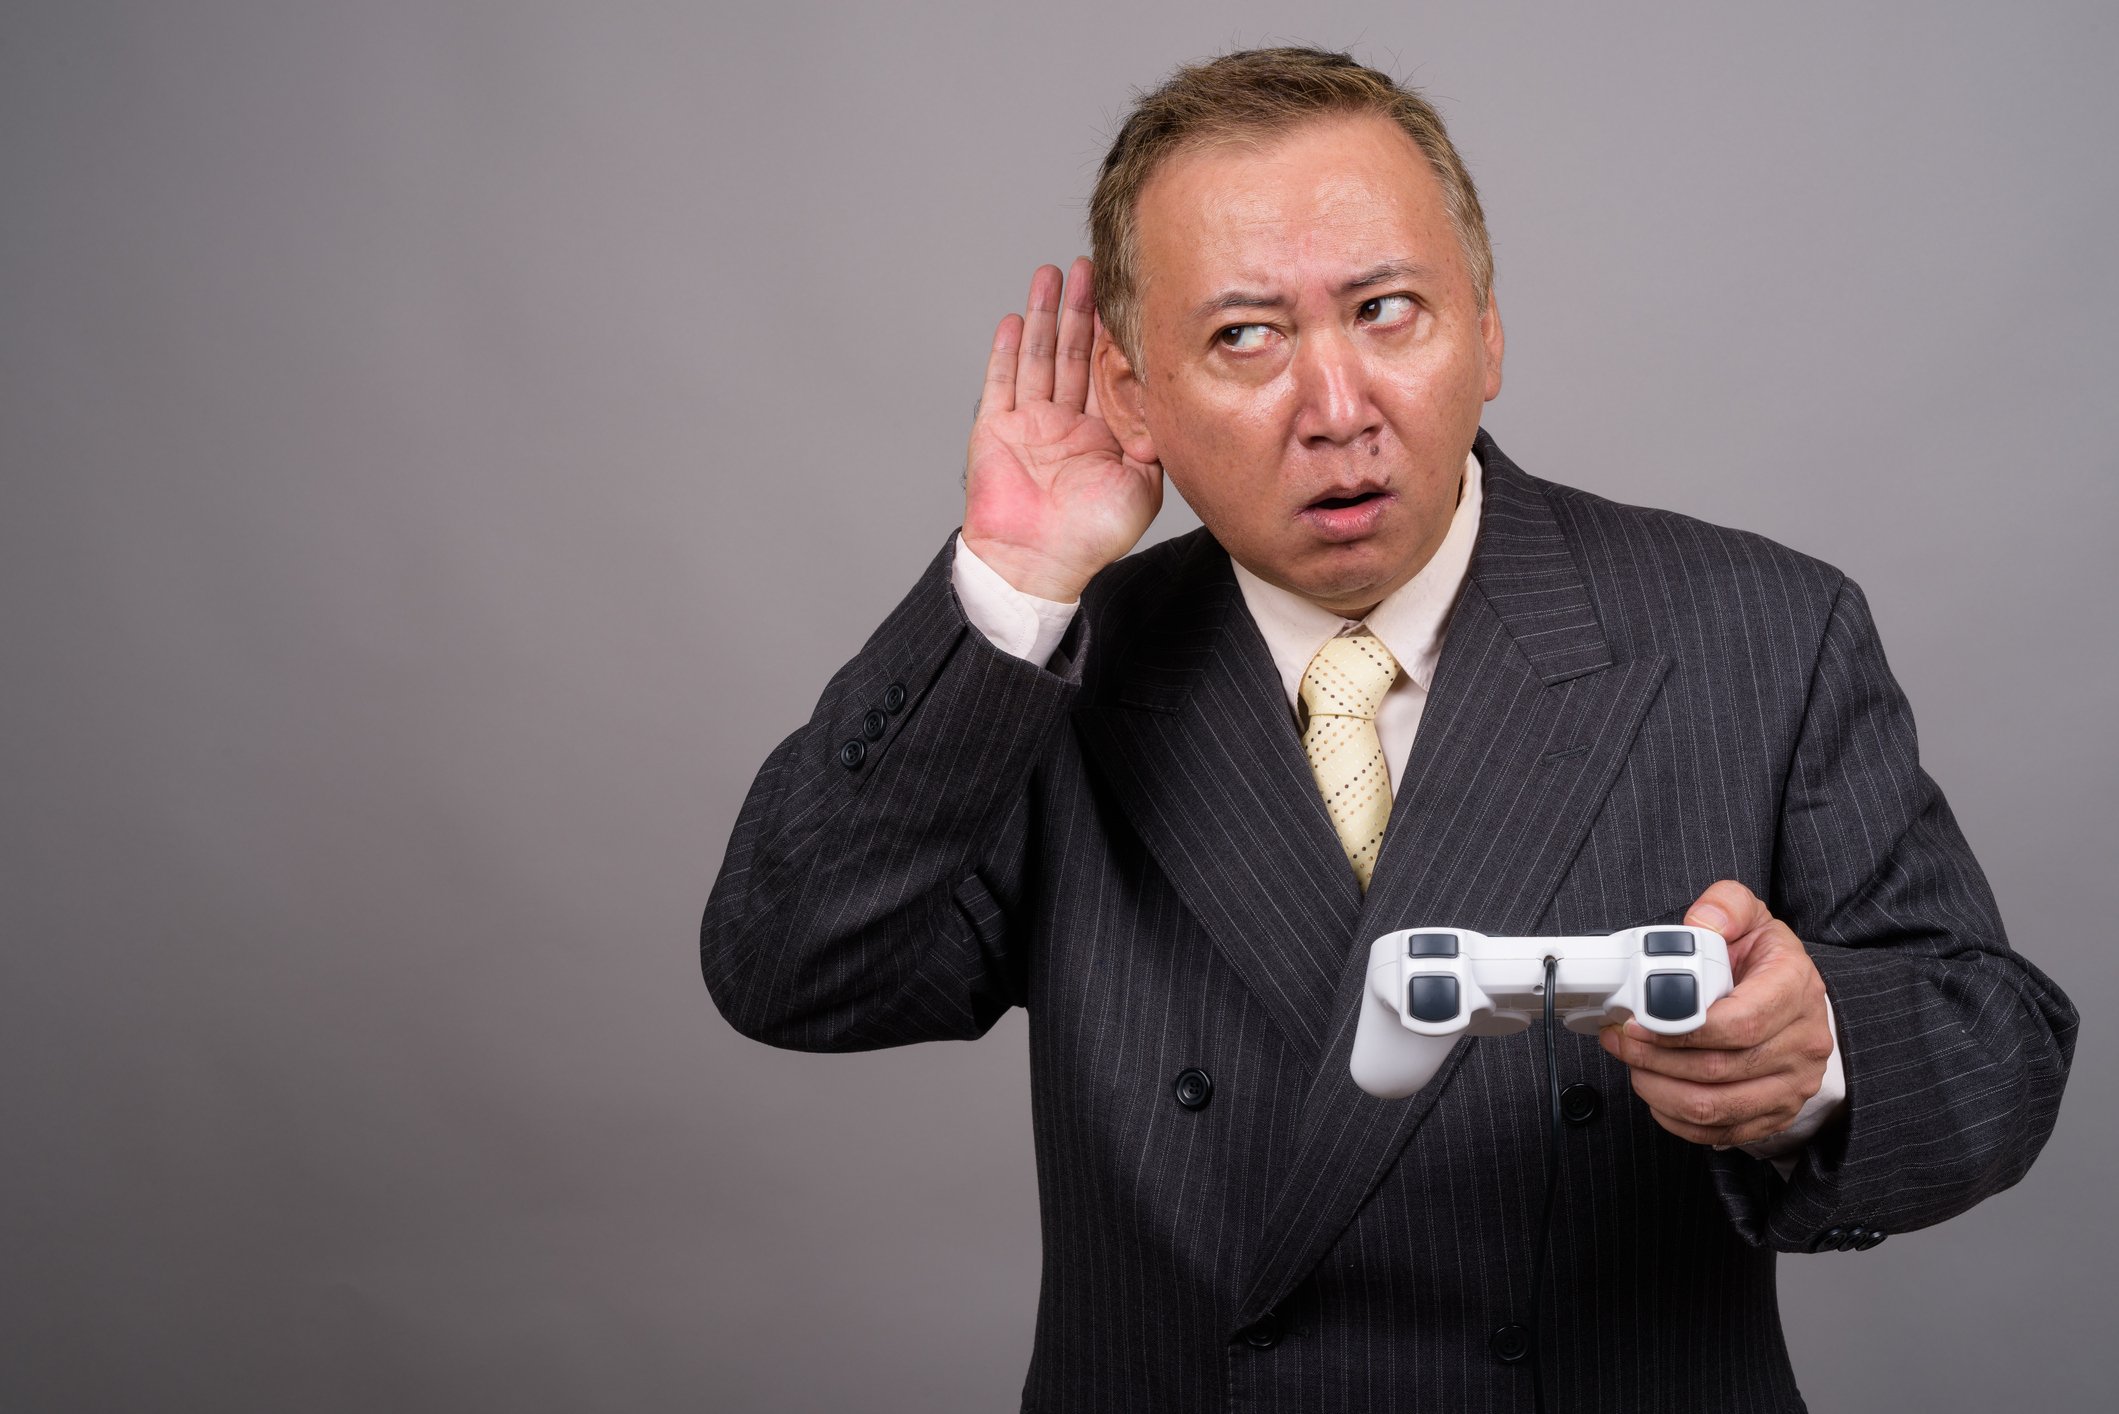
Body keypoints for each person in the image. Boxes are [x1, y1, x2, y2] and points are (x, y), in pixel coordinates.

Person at [701, 47, 2076, 1412]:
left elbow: (1998, 1051)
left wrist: (1818, 1053)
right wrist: (1010, 581)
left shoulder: (1759, 629)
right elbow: (792, 970)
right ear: (1133, 394)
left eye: (1388, 310)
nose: (1339, 406)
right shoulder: (1056, 670)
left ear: (1485, 328)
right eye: (1245, 335)